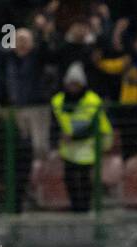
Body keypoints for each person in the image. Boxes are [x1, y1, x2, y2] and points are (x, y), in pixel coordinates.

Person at [51, 62, 111, 213]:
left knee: (84, 179)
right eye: (70, 84)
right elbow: (54, 124)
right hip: (68, 148)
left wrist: (75, 136)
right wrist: (56, 139)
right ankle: (75, 206)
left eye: (76, 84)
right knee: (69, 178)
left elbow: (98, 126)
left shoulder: (93, 100)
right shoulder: (57, 101)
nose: (73, 87)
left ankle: (85, 207)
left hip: (87, 147)